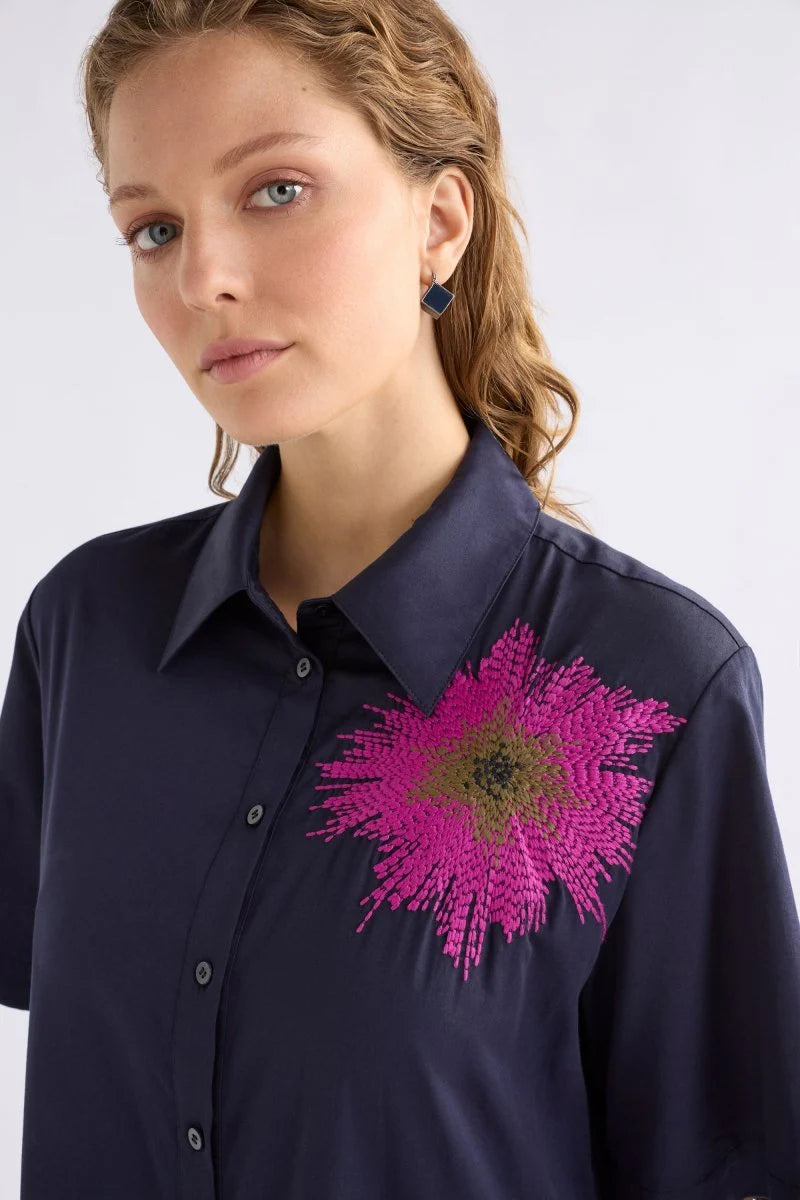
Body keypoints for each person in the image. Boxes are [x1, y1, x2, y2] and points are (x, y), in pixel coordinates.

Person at [1, 2, 798, 1198]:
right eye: (153, 228)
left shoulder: (649, 687)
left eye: (275, 191)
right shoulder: (87, 632)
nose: (202, 278)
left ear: (438, 221)